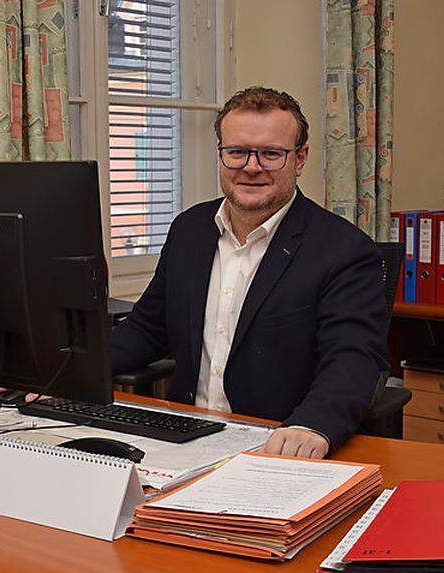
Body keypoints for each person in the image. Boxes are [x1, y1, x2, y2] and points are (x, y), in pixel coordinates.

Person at [109, 86, 388, 458]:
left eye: (271, 154)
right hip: (184, 437)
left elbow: (353, 358)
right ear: (221, 155)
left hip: (275, 444)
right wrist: (61, 375)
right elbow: (147, 328)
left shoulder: (345, 250)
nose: (251, 167)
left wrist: (313, 424)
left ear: (300, 158)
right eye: (237, 152)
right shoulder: (189, 229)